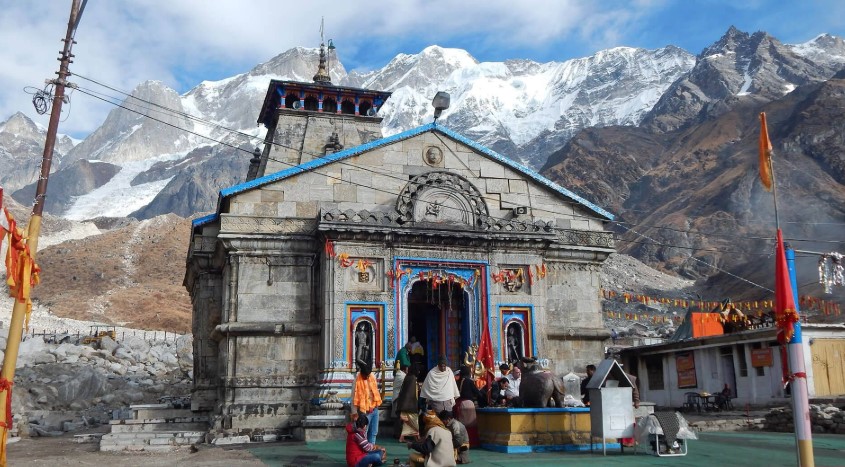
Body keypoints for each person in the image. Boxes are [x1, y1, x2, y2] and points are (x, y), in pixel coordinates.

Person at [352, 362, 383, 445]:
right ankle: (364, 451)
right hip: (364, 411)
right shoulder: (357, 380)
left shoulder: (372, 376)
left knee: (374, 432)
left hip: (374, 408)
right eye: (366, 376)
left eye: (368, 375)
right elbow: (353, 398)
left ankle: (371, 448)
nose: (367, 377)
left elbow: (375, 392)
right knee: (364, 432)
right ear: (362, 374)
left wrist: (374, 405)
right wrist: (355, 413)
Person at [454, 366, 481, 446]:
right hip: (468, 404)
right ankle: (471, 442)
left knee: (461, 424)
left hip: (458, 403)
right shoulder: (469, 381)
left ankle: (461, 441)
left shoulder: (458, 381)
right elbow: (477, 393)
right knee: (470, 424)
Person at [396, 366, 421, 442]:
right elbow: (410, 393)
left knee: (406, 424)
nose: (419, 372)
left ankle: (402, 438)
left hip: (405, 404)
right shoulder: (412, 378)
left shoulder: (408, 377)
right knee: (414, 422)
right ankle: (418, 437)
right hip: (410, 405)